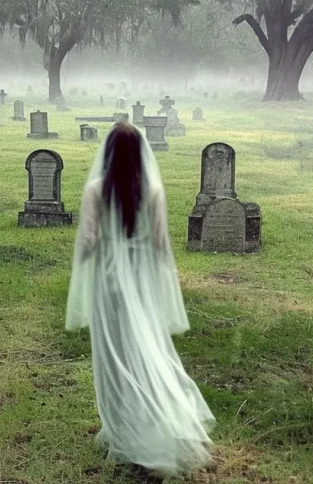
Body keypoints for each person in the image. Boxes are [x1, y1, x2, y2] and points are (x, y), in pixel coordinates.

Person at [66, 122, 214, 477]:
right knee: (146, 348)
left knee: (113, 356)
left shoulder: (95, 189)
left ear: (109, 152)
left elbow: (88, 241)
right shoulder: (154, 191)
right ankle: (157, 419)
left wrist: (84, 265)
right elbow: (162, 245)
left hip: (108, 281)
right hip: (142, 279)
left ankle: (122, 430)